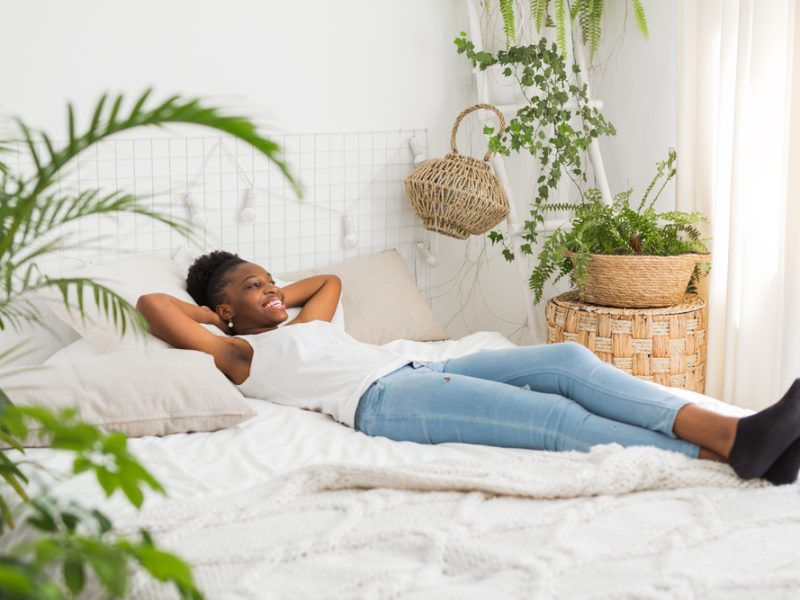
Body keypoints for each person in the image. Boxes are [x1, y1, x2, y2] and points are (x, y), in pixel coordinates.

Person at [137, 250, 800, 486]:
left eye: (273, 279)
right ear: (222, 308)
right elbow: (152, 304)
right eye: (255, 287)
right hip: (387, 404)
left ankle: (738, 437)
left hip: (420, 365)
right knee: (557, 421)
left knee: (568, 359)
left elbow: (330, 281)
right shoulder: (243, 354)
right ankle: (726, 451)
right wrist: (218, 316)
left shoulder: (304, 325)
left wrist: (269, 291)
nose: (276, 289)